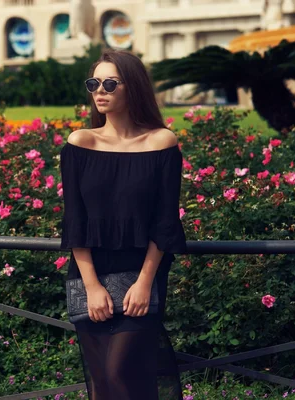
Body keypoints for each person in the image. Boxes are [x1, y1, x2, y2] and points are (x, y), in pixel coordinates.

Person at [59, 48, 187, 400]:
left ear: (132, 87)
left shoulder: (162, 142)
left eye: (110, 83)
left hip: (142, 273)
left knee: (122, 372)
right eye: (94, 83)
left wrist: (145, 282)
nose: (99, 90)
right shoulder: (80, 142)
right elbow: (75, 221)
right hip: (89, 274)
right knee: (102, 382)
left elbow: (165, 222)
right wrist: (92, 287)